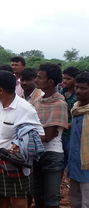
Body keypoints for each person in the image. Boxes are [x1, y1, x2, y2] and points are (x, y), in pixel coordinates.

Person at [0, 70, 45, 208]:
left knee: (19, 203)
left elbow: (40, 135)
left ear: (1, 90)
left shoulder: (25, 109)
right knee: (0, 201)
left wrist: (19, 145)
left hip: (15, 163)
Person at [33, 63, 68, 208]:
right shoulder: (38, 101)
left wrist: (30, 135)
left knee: (52, 198)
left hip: (52, 154)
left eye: (39, 77)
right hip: (37, 152)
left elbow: (48, 135)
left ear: (50, 82)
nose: (36, 80)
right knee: (38, 195)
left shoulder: (59, 104)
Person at [67, 72, 89, 208]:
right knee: (75, 200)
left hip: (87, 166)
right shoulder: (76, 108)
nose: (78, 91)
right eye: (77, 87)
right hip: (75, 162)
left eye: (83, 88)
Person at [60, 67, 80, 174]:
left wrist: (68, 125)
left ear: (76, 79)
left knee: (73, 164)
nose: (64, 81)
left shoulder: (79, 96)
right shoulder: (61, 92)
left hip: (72, 135)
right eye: (64, 78)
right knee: (59, 165)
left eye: (68, 79)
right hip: (60, 134)